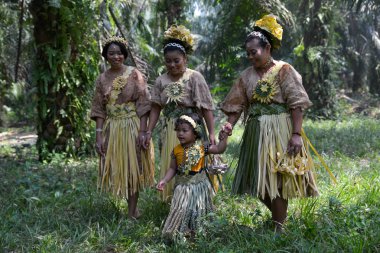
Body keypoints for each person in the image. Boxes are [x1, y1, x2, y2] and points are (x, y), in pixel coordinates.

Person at [220, 15, 319, 231]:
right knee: (259, 182)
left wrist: (296, 134)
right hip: (255, 131)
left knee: (277, 178)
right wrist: (229, 125)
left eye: (253, 52)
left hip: (280, 129)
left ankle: (278, 227)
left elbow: (296, 104)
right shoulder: (245, 76)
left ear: (267, 48)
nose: (250, 57)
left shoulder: (284, 70)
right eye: (247, 53)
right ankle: (278, 220)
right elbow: (236, 105)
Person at [144, 25, 217, 201]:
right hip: (171, 129)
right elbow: (155, 108)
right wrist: (148, 130)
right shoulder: (161, 80)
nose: (172, 64)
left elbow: (206, 107)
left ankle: (200, 199)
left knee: (194, 162)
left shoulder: (194, 77)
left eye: (176, 60)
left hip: (193, 128)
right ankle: (173, 199)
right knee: (174, 162)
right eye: (168, 61)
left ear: (185, 58)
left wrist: (212, 132)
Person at [90, 36, 154, 219]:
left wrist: (143, 131)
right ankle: (131, 208)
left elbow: (143, 104)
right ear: (106, 56)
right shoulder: (102, 79)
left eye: (119, 53)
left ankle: (132, 211)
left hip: (131, 126)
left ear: (125, 55)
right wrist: (99, 136)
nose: (116, 56)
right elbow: (99, 109)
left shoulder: (134, 74)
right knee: (120, 167)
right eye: (111, 53)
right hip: (113, 129)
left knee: (133, 167)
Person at [156, 113, 232, 238]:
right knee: (182, 209)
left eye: (185, 130)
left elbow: (219, 149)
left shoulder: (202, 148)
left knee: (199, 209)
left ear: (195, 133)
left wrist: (224, 138)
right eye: (178, 130)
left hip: (199, 188)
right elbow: (172, 168)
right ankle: (181, 231)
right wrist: (164, 180)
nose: (180, 133)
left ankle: (199, 230)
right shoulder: (176, 150)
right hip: (183, 188)